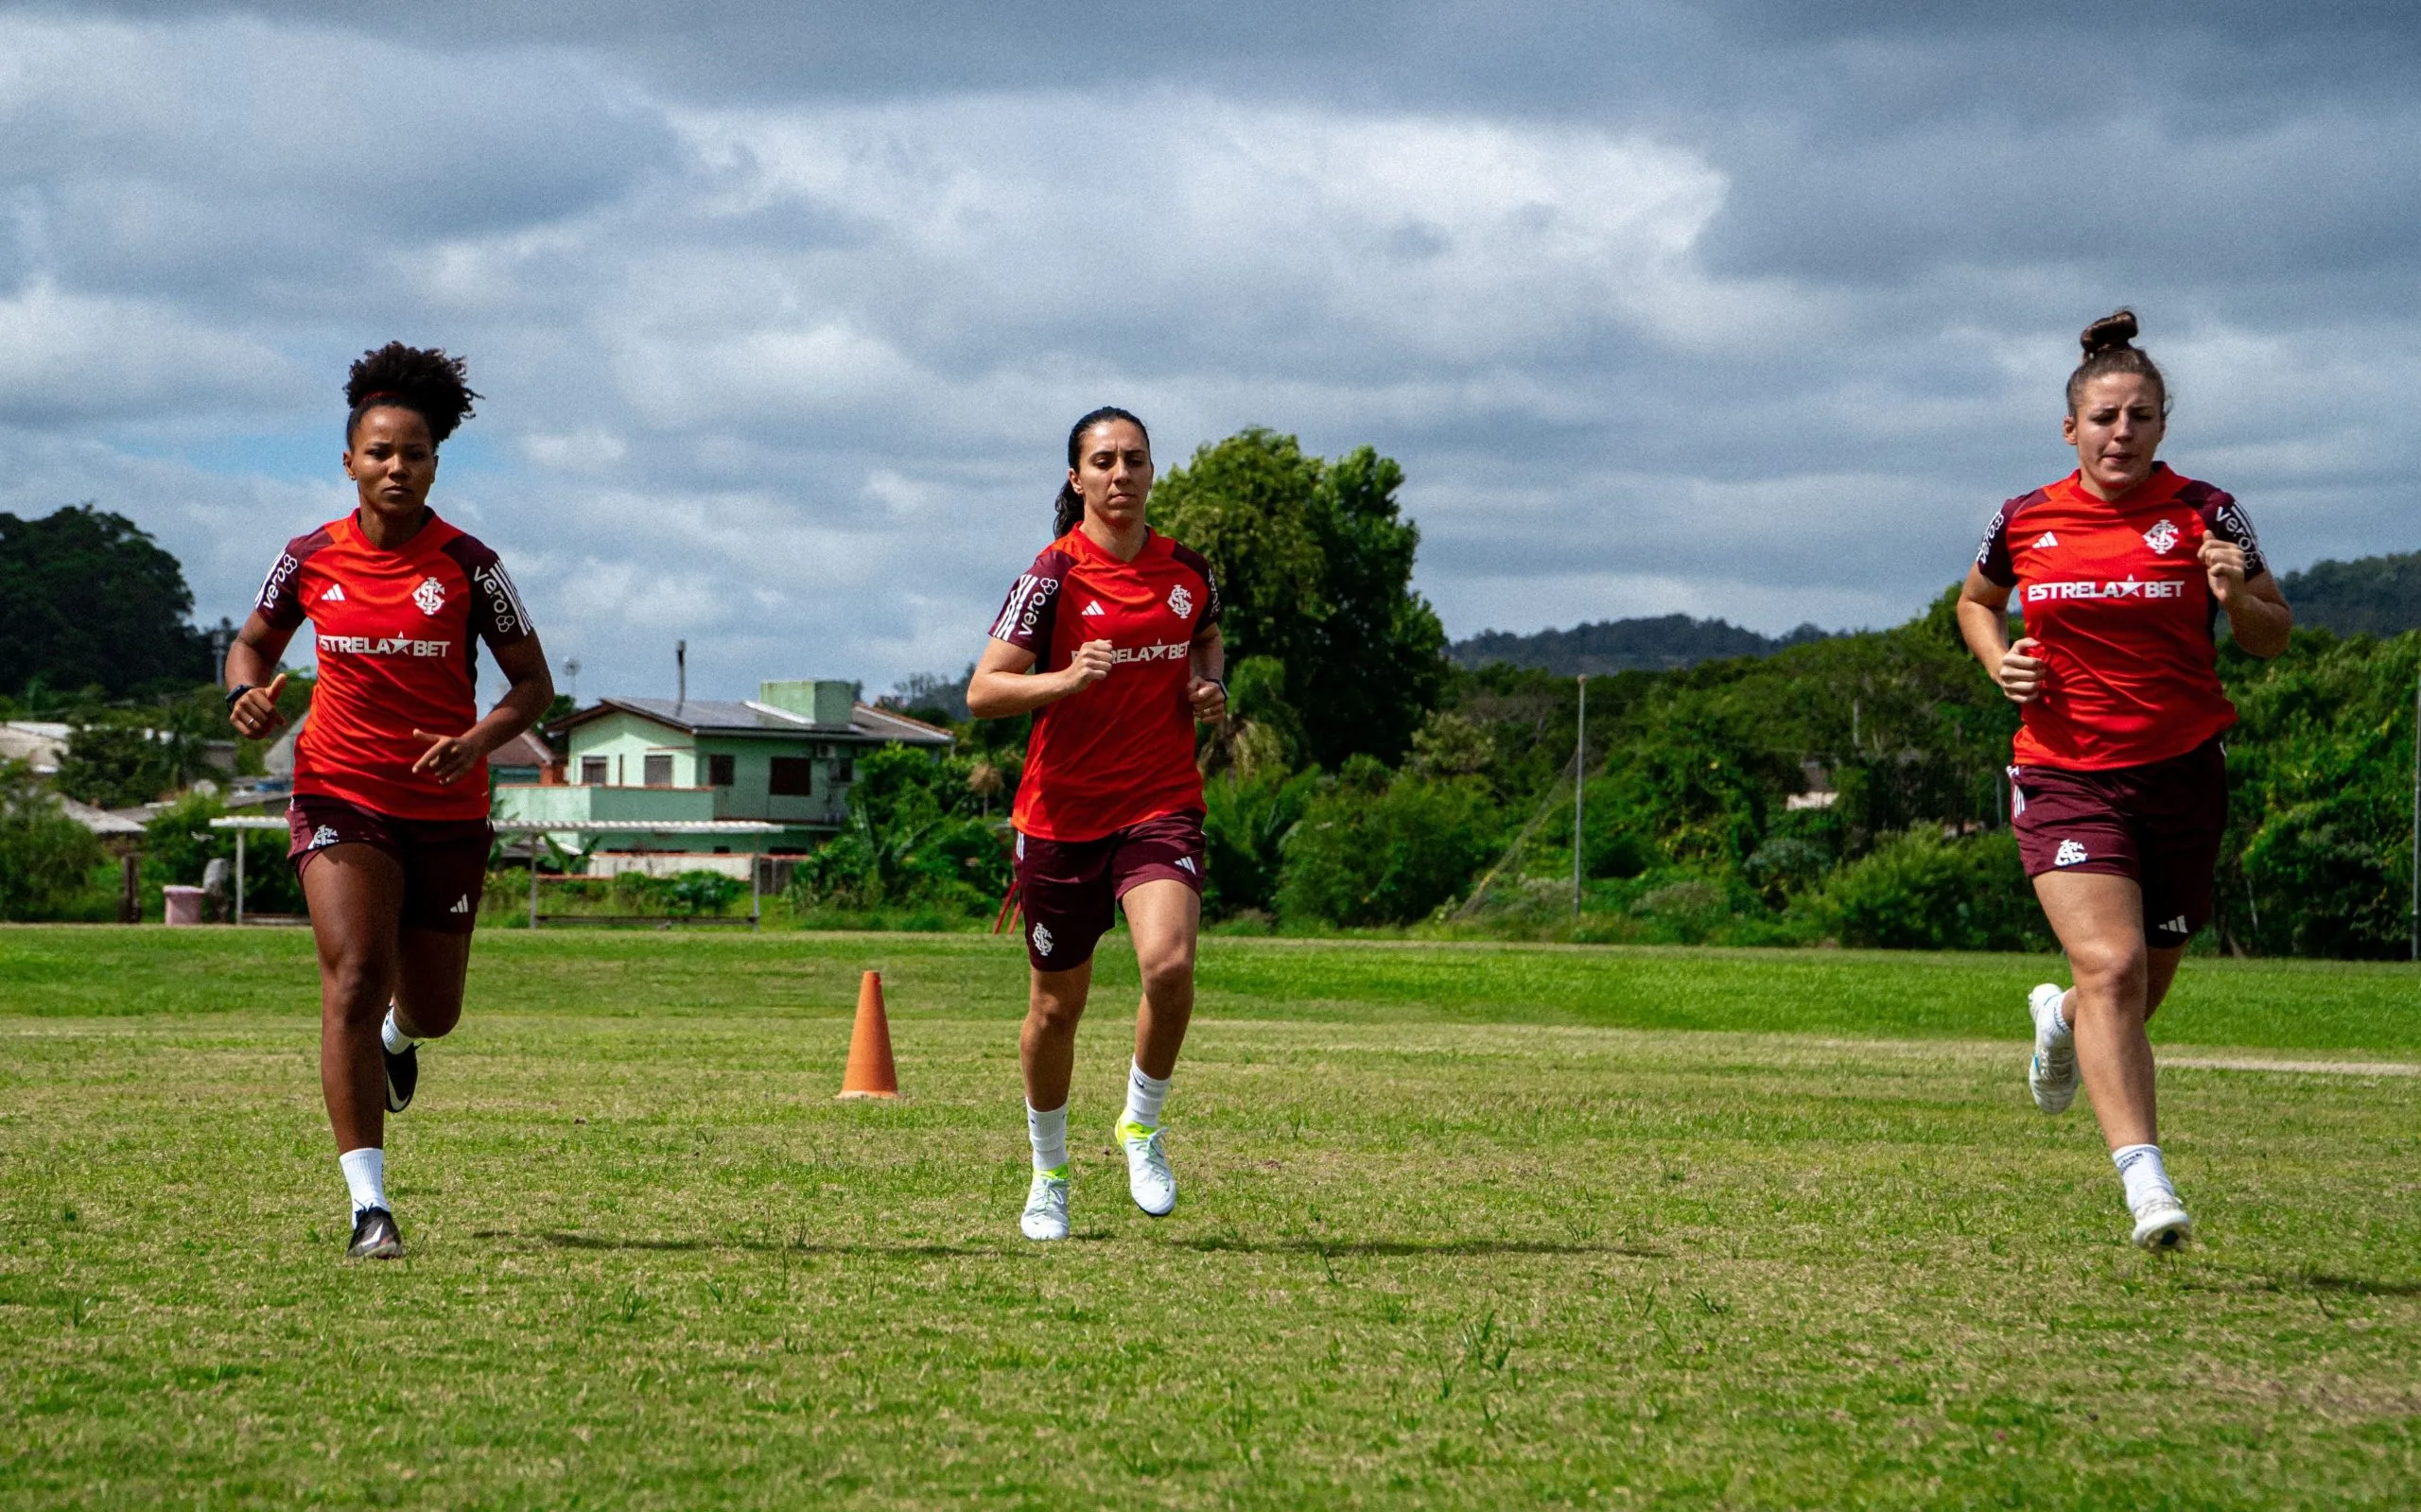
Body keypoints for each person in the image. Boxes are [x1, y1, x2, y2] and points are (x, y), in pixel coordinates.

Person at [1956, 310, 2290, 1250]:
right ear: (2071, 428)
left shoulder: (2205, 512)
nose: (2120, 433)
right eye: (2103, 417)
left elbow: (2272, 633)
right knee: (2111, 967)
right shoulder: (2025, 518)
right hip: (2064, 772)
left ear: (2161, 426)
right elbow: (1975, 602)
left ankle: (2056, 1020)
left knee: (2141, 979)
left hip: (2182, 774)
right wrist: (1997, 660)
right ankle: (2147, 1185)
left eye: (2139, 417)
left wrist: (2234, 595)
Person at [224, 343, 554, 1260]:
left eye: (413, 453)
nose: (395, 468)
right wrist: (241, 697)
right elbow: (249, 647)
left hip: (447, 808)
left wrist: (479, 743)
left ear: (436, 464)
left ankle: (398, 1040)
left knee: (433, 1008)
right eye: (379, 452)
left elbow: (533, 685)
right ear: (349, 462)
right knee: (354, 974)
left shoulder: (469, 567)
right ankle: (369, 1206)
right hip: (339, 792)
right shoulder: (307, 559)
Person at [967, 407, 1227, 1242]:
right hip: (1062, 816)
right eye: (1105, 461)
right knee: (1055, 1011)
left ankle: (1141, 1126)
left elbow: (1206, 635)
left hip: (1159, 803)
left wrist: (1207, 686)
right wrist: (1067, 679)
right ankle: (1049, 1175)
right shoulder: (1052, 575)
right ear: (1077, 479)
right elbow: (984, 692)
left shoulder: (1187, 570)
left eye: (1136, 460)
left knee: (1170, 964)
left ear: (1153, 473)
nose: (1122, 474)